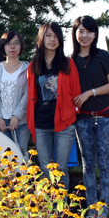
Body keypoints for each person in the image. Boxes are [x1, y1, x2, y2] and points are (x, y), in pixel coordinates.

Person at [71, 16, 109, 218]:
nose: (85, 35)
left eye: (89, 31)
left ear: (95, 34)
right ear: (74, 33)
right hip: (83, 120)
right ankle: (92, 211)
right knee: (88, 165)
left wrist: (89, 92)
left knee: (105, 164)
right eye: (80, 31)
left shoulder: (103, 56)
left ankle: (104, 211)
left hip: (106, 117)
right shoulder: (70, 61)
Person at [26, 22, 81, 190]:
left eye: (56, 36)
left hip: (64, 123)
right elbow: (31, 95)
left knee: (61, 168)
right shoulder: (33, 65)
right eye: (49, 35)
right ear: (41, 39)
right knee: (44, 167)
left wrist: (71, 116)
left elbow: (76, 92)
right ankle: (46, 210)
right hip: (41, 123)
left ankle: (61, 210)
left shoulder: (67, 63)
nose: (53, 39)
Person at [0, 31, 30, 160]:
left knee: (19, 157)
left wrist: (17, 116)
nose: (12, 47)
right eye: (8, 43)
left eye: (16, 43)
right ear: (3, 47)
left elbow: (28, 94)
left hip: (21, 122)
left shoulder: (27, 68)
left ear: (21, 46)